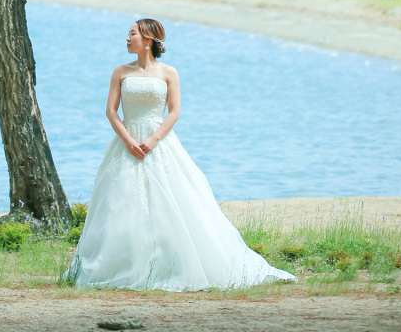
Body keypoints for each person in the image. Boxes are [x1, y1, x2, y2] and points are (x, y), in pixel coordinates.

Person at [68, 18, 297, 291]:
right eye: (128, 34)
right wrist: (128, 140)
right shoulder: (120, 71)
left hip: (159, 143)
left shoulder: (168, 72)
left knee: (175, 202)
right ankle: (124, 265)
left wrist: (152, 140)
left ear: (148, 39)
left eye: (132, 34)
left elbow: (174, 111)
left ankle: (171, 263)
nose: (127, 39)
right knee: (121, 204)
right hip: (126, 143)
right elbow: (111, 111)